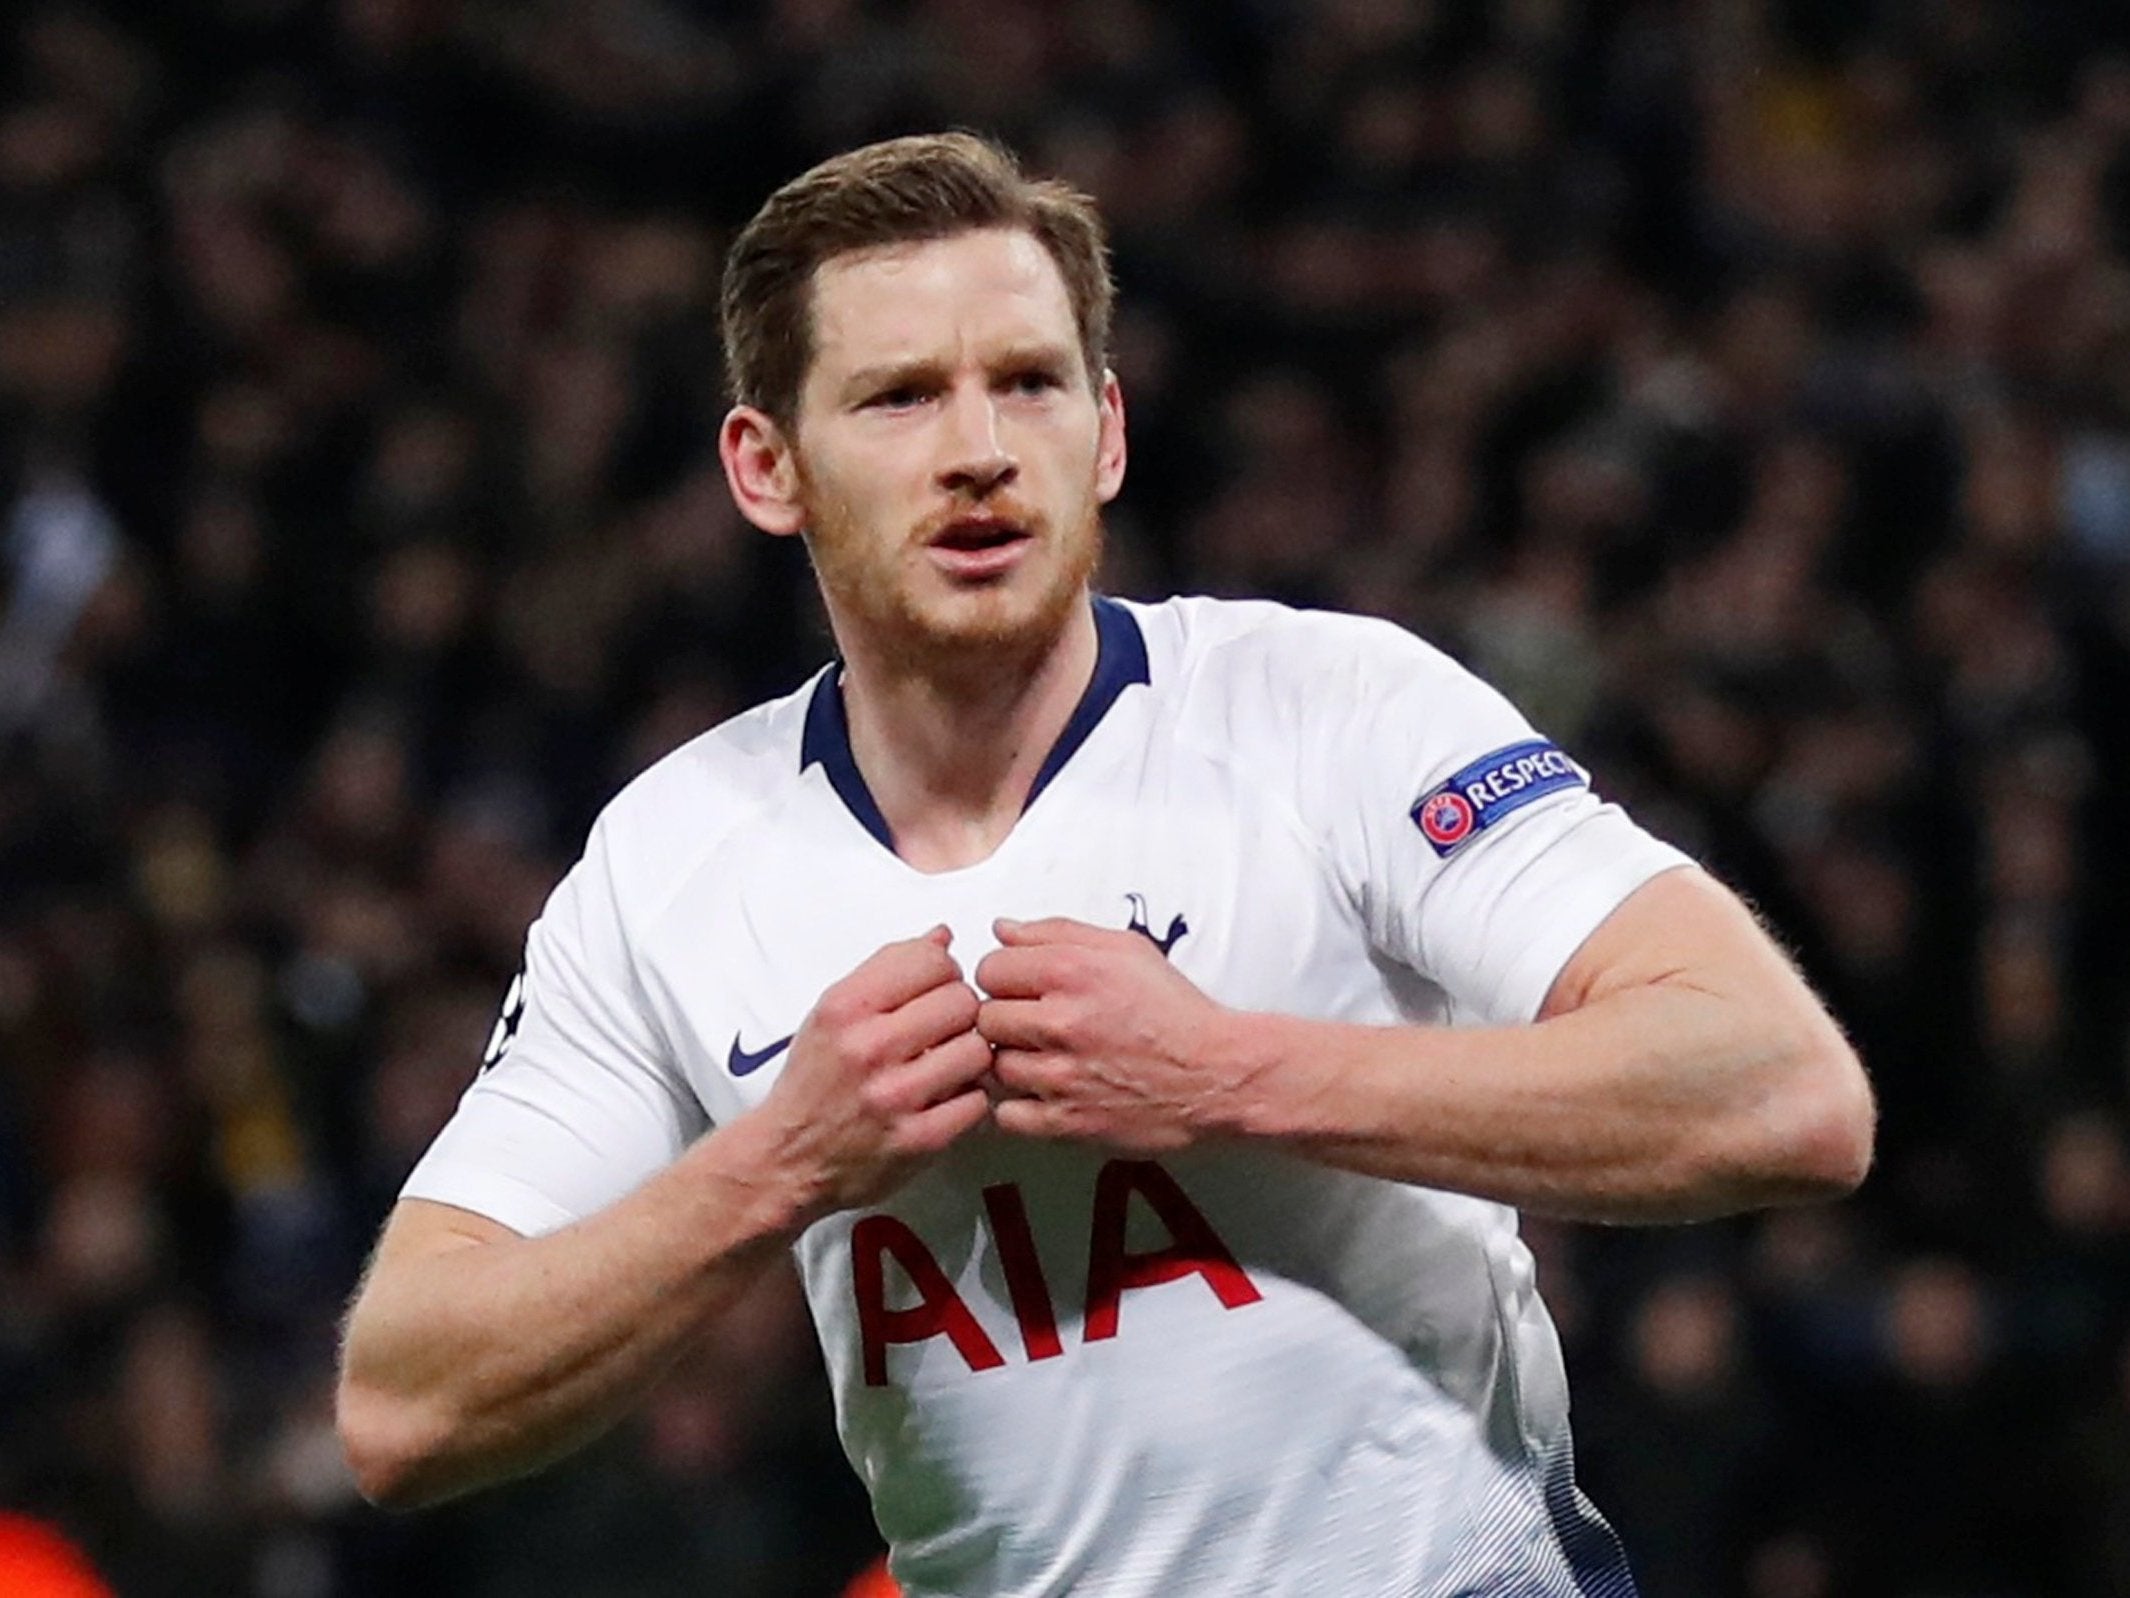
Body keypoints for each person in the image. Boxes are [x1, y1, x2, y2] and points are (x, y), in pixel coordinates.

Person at [334, 133, 1874, 1597]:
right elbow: (406, 1397)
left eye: (1028, 383)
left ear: (1110, 429)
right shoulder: (670, 860)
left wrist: (1225, 1077)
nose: (982, 451)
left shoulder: (1324, 711)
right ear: (764, 466)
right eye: (899, 400)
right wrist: (778, 1164)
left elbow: (1779, 1087)